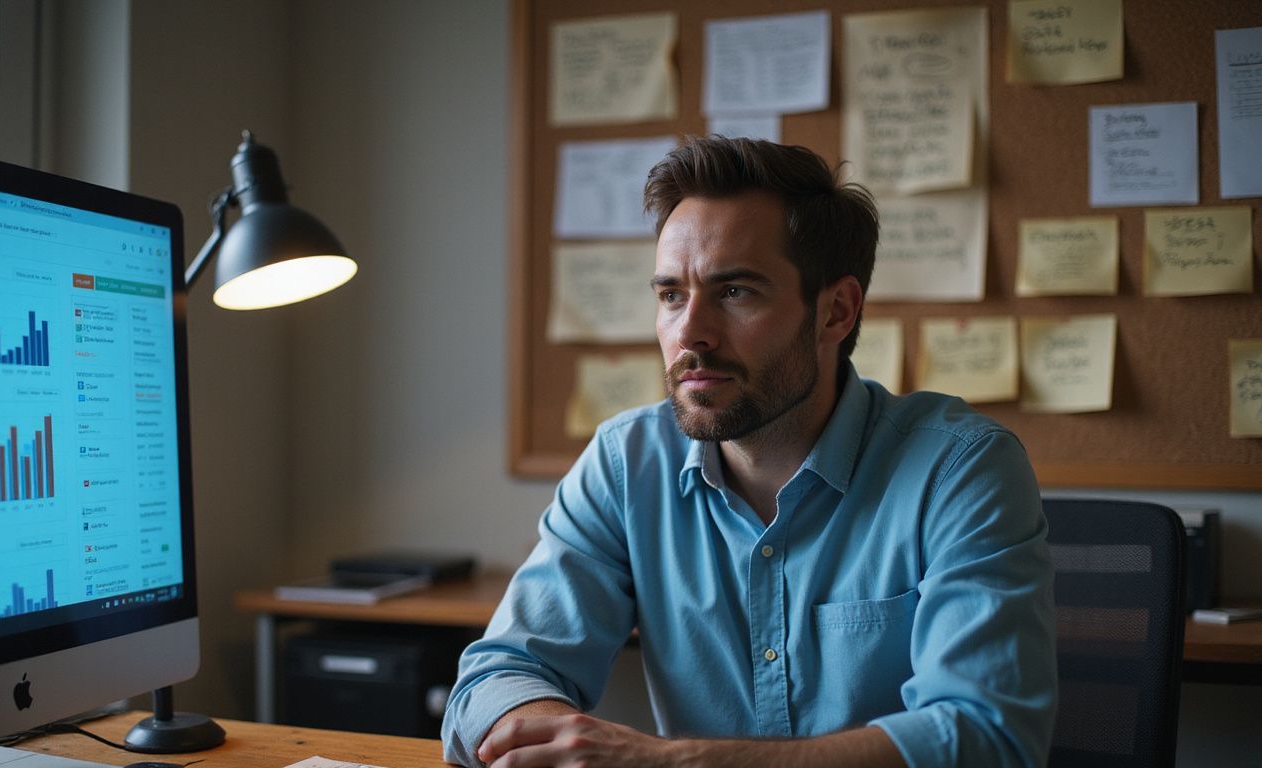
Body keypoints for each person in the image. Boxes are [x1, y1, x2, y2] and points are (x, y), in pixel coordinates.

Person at [442, 136, 1056, 767]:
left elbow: (988, 737)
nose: (691, 333)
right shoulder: (627, 464)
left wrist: (673, 764)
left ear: (836, 312)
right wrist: (557, 740)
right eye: (671, 294)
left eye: (735, 292)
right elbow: (496, 679)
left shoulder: (960, 469)